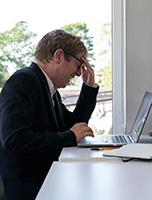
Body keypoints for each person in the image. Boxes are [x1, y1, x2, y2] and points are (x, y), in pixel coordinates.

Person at [0, 29, 99, 199]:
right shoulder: (24, 80)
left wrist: (88, 88)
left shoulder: (49, 88)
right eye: (79, 64)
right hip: (28, 186)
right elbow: (14, 139)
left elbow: (74, 126)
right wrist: (69, 136)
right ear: (58, 56)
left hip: (45, 177)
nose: (79, 72)